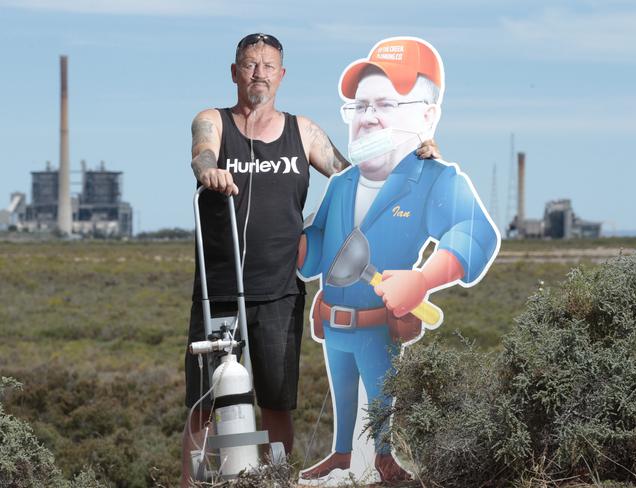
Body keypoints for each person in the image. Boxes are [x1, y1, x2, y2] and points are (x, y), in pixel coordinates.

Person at [181, 33, 440, 486]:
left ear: (281, 75)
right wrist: (209, 171)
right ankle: (191, 483)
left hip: (279, 290)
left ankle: (275, 481)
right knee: (205, 402)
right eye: (249, 64)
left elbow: (355, 178)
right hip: (219, 288)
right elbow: (202, 153)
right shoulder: (213, 120)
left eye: (267, 65)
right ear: (234, 72)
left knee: (276, 402)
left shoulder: (302, 132)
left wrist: (415, 164)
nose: (258, 73)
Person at [298, 37, 500, 483]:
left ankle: (384, 460)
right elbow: (314, 251)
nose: (368, 117)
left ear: (426, 114)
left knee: (381, 402)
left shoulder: (434, 180)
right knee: (344, 399)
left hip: (377, 325)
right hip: (332, 324)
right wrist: (286, 242)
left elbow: (475, 233)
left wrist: (423, 279)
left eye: (385, 104)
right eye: (359, 105)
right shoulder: (342, 184)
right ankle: (341, 455)